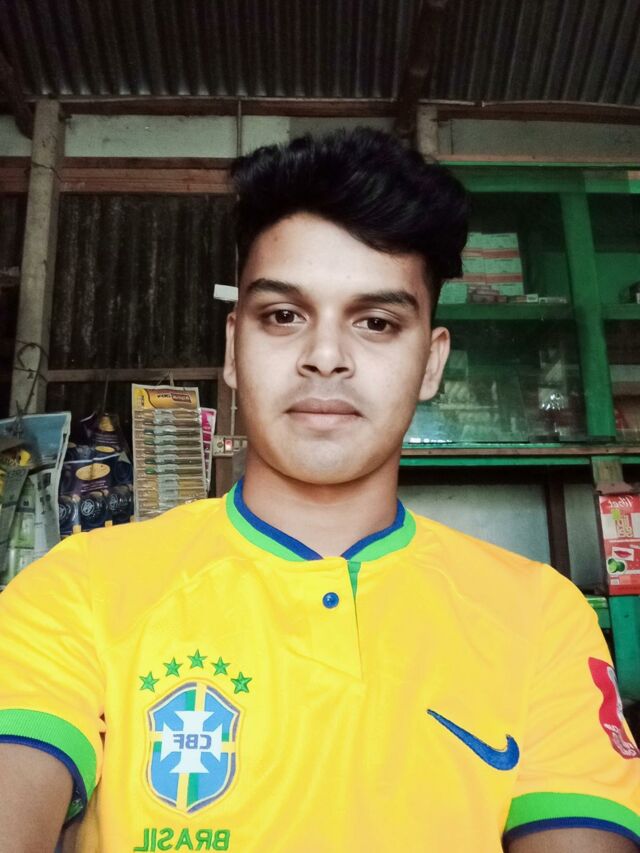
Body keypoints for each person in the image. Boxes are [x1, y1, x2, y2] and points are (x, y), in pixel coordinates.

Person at [0, 128, 638, 853]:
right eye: (284, 316)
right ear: (234, 346)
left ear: (431, 364)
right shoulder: (80, 591)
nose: (326, 356)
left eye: (376, 322)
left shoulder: (540, 616)